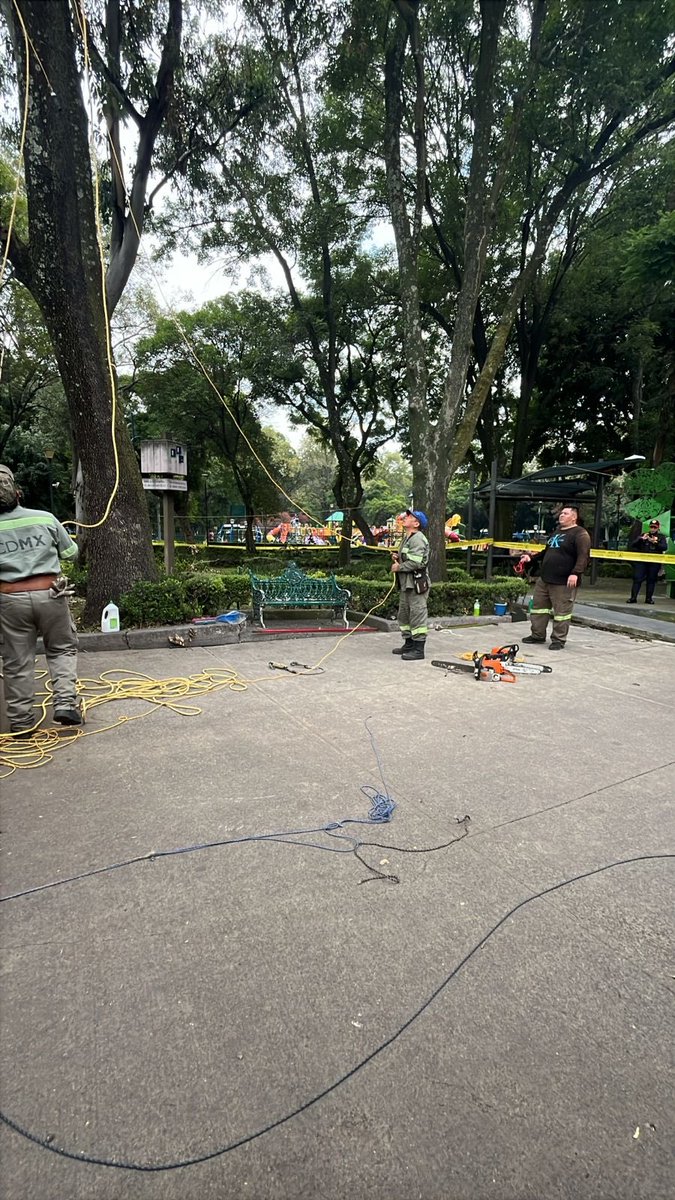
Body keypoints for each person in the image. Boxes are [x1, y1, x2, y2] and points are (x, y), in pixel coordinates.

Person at [0, 464, 81, 734]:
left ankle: (21, 722)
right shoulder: (45, 518)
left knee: (17, 660)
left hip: (10, 600)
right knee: (61, 649)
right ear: (18, 493)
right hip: (51, 593)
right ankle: (65, 705)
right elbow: (71, 553)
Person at [517, 503, 591, 650]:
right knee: (538, 608)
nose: (561, 515)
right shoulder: (556, 532)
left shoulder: (580, 534)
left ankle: (558, 640)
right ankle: (537, 635)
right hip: (545, 579)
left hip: (564, 581)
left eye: (565, 513)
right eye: (561, 513)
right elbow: (546, 552)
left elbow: (584, 556)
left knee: (561, 612)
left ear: (574, 517)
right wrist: (531, 558)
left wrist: (575, 573)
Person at [391, 509, 430, 661]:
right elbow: (408, 557)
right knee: (404, 614)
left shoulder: (418, 538)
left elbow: (416, 562)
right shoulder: (408, 538)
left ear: (416, 523)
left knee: (417, 614)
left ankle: (419, 650)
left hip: (416, 584)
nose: (405, 518)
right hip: (406, 584)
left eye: (409, 516)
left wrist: (399, 567)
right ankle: (409, 644)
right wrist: (397, 556)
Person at [627, 519, 668, 604]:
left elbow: (664, 547)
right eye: (651, 527)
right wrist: (641, 539)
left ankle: (649, 599)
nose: (653, 529)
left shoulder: (661, 537)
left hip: (654, 562)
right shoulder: (644, 535)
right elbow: (633, 545)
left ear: (658, 528)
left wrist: (655, 542)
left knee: (651, 580)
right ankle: (633, 597)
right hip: (642, 561)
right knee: (637, 578)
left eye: (654, 527)